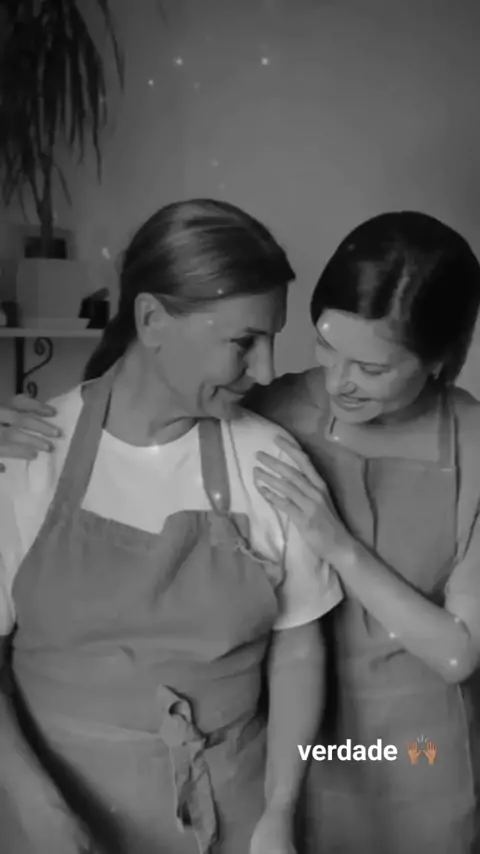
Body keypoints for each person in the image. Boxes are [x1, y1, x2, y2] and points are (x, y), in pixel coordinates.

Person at [5, 207, 480, 853]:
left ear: (439, 361)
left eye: (371, 369)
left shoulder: (461, 450)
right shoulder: (267, 412)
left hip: (407, 750)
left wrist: (339, 546)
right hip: (282, 754)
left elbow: (457, 653)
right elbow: (153, 399)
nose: (336, 382)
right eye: (326, 348)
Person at [0, 199, 344, 854]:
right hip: (42, 815)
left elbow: (299, 648)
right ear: (152, 319)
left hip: (231, 817)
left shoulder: (269, 461)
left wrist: (279, 811)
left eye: (272, 340)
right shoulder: (30, 455)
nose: (267, 371)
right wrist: (38, 811)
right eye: (244, 342)